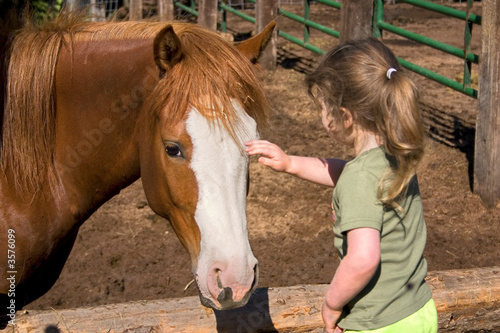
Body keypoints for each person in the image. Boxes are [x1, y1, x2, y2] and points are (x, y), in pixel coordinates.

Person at [245, 38, 437, 333]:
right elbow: (345, 171)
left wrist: (332, 304)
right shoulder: (396, 158)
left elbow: (363, 259)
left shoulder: (360, 178)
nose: (321, 117)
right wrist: (290, 163)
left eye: (322, 108)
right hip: (419, 312)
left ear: (344, 117)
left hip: (379, 324)